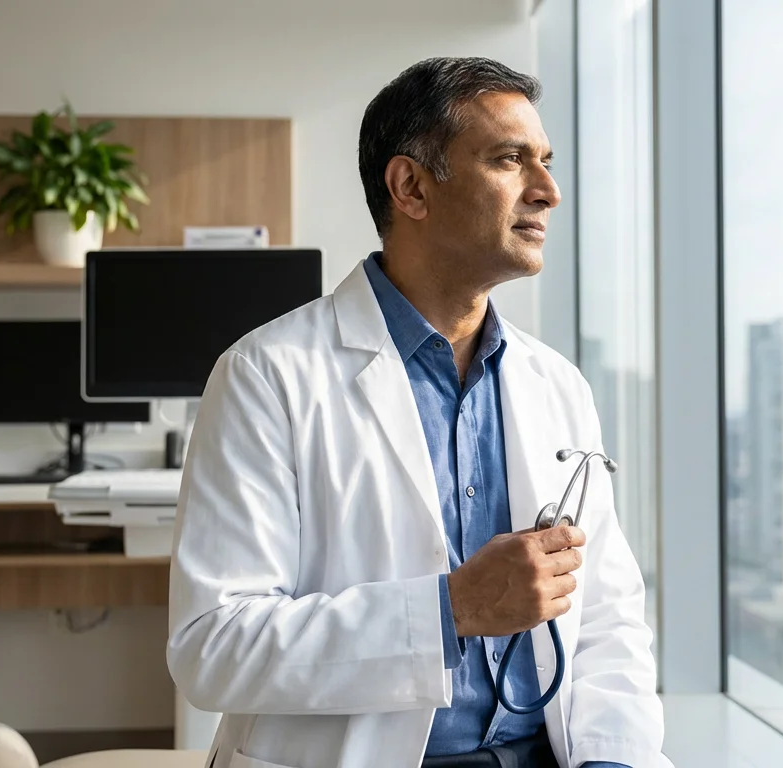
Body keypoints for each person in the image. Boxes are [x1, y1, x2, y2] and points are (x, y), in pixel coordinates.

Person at [166, 56, 671, 768]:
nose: (549, 191)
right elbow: (212, 647)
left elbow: (606, 620)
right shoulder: (265, 377)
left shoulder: (556, 384)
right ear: (410, 187)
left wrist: (613, 759)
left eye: (546, 163)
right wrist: (449, 611)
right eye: (508, 160)